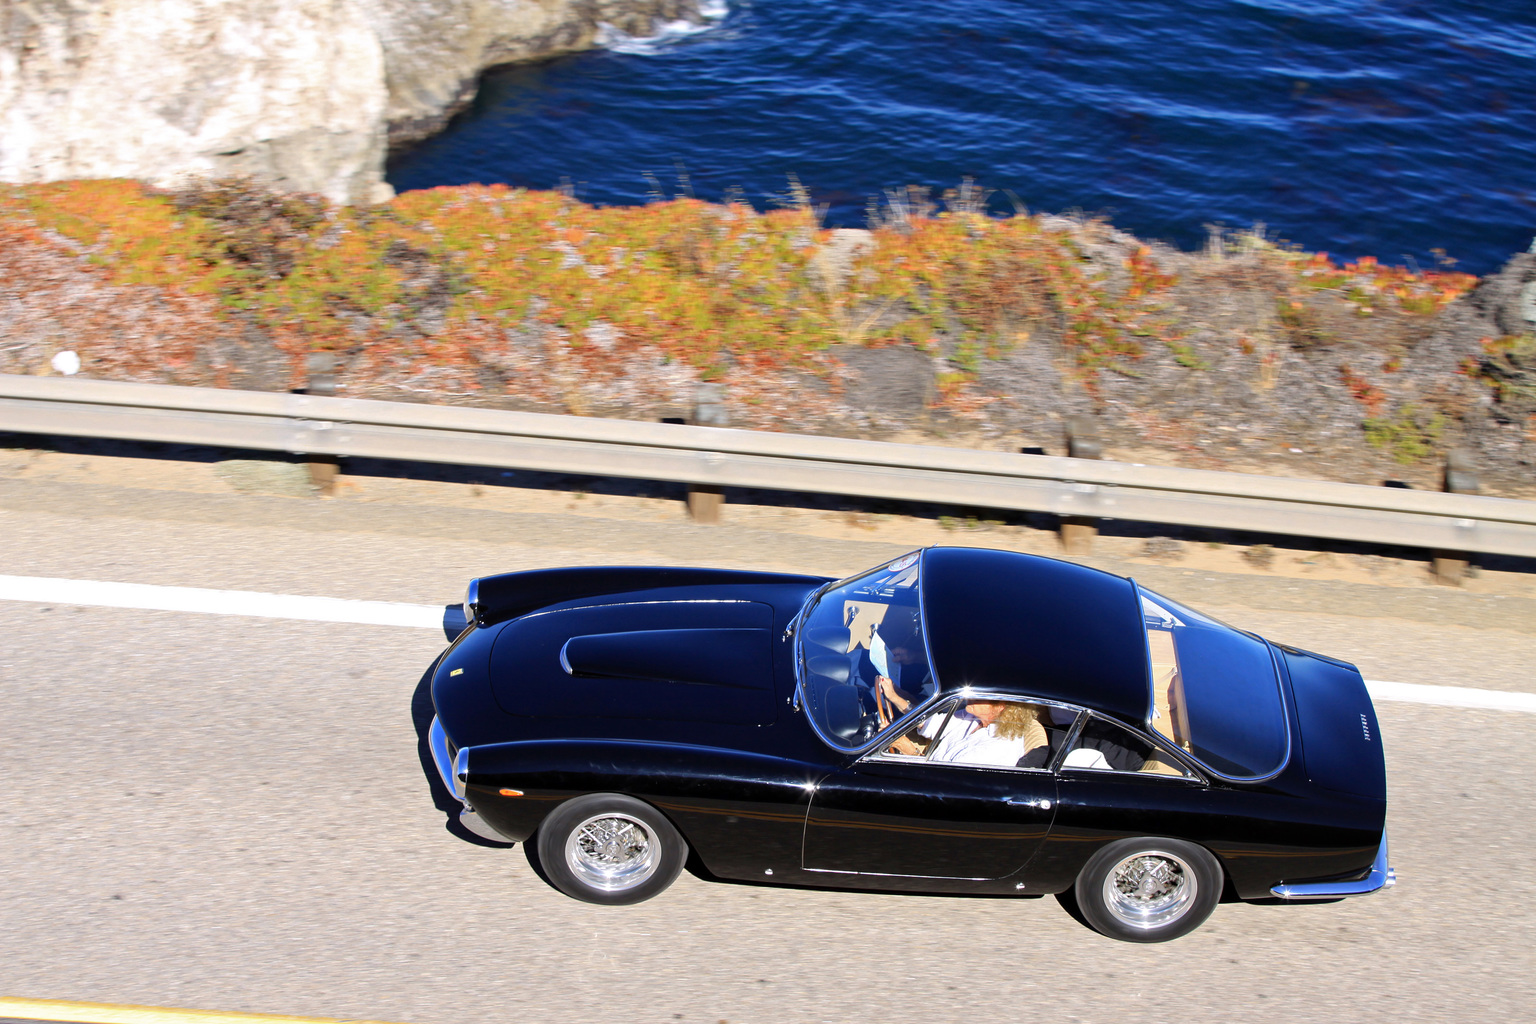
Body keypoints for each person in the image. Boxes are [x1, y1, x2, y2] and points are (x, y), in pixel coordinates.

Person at [880, 694, 1048, 768]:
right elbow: (932, 724)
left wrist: (909, 751)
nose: (971, 696)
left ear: (1001, 706)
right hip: (926, 766)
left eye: (981, 695)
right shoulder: (973, 717)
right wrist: (895, 697)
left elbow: (943, 781)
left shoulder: (999, 748)